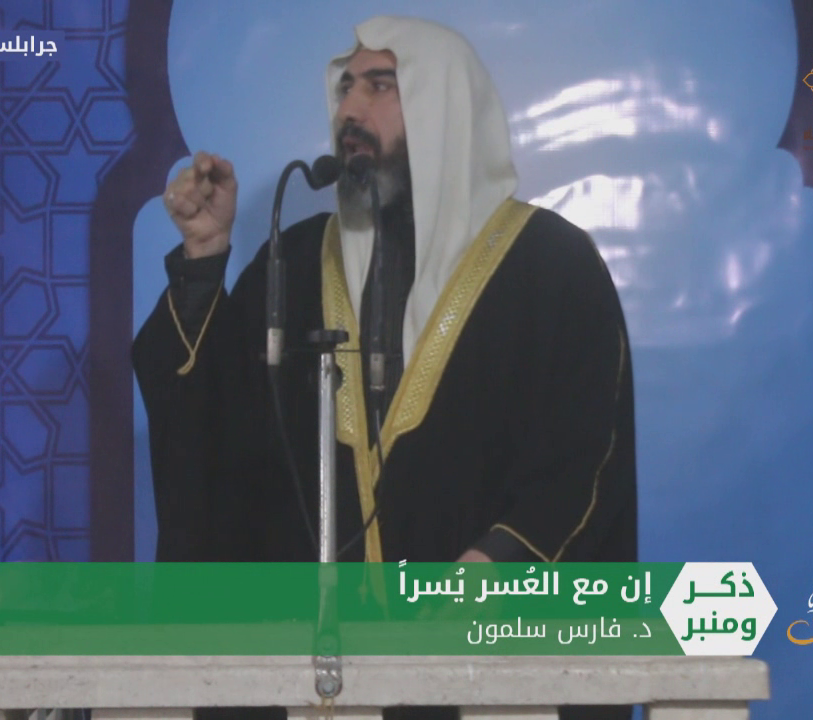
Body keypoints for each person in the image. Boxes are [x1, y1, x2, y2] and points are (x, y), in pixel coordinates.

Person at [133, 17, 636, 717]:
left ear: (443, 105)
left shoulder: (551, 265)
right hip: (314, 682)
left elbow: (584, 460)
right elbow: (216, 443)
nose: (349, 109)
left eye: (379, 86)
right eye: (344, 88)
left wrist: (493, 571)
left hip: (488, 668)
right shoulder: (294, 261)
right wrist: (203, 260)